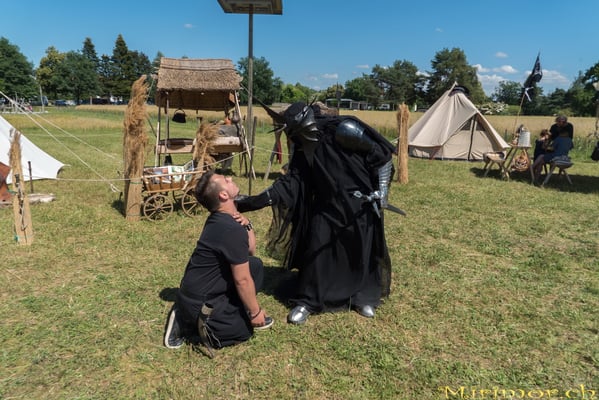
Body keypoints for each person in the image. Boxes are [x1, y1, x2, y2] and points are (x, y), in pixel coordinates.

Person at [235, 101, 396, 324]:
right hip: (326, 204)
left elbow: (382, 156)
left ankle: (361, 296)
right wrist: (253, 202)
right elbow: (292, 181)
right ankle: (308, 300)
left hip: (360, 204)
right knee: (317, 248)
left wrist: (382, 191)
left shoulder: (345, 130)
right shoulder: (302, 147)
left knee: (360, 248)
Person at [163, 171, 273, 351]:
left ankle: (206, 312)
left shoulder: (219, 218)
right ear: (223, 195)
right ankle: (184, 320)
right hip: (199, 302)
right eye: (225, 180)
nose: (230, 178)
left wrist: (247, 224)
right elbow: (242, 280)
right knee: (243, 331)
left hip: (198, 290)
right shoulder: (230, 228)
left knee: (255, 266)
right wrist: (255, 313)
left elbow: (250, 251)